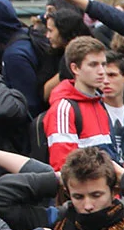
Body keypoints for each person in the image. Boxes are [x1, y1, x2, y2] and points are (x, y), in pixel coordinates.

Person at [43, 36, 115, 169]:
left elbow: (106, 155)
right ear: (75, 68)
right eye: (93, 65)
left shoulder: (100, 104)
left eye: (103, 64)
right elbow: (64, 167)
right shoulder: (64, 108)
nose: (101, 71)